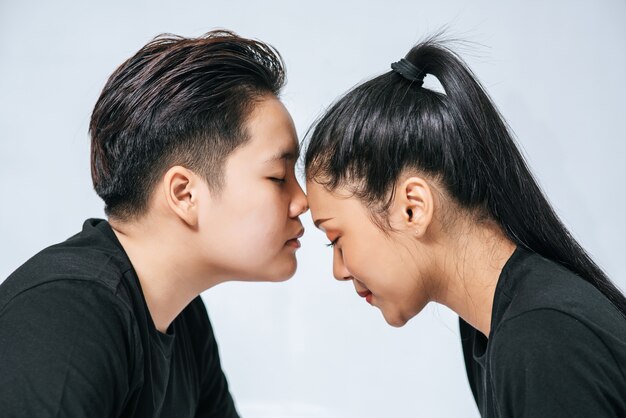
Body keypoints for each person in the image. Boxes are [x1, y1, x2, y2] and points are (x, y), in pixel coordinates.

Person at [304, 39, 626, 417]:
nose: (339, 270)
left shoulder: (541, 337)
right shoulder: (490, 327)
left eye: (335, 238)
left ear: (413, 208)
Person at [0, 30, 308, 417]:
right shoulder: (67, 314)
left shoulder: (182, 316)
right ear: (184, 194)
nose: (303, 202)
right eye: (279, 177)